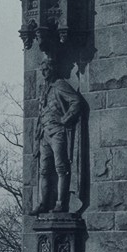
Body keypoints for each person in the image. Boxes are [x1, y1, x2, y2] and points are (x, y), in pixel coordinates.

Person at [30, 58, 83, 214]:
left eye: (46, 70)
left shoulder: (60, 85)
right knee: (44, 170)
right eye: (42, 71)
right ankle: (43, 203)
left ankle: (60, 203)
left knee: (61, 167)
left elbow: (76, 101)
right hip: (44, 133)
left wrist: (65, 119)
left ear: (52, 69)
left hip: (57, 131)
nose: (44, 73)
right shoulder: (44, 90)